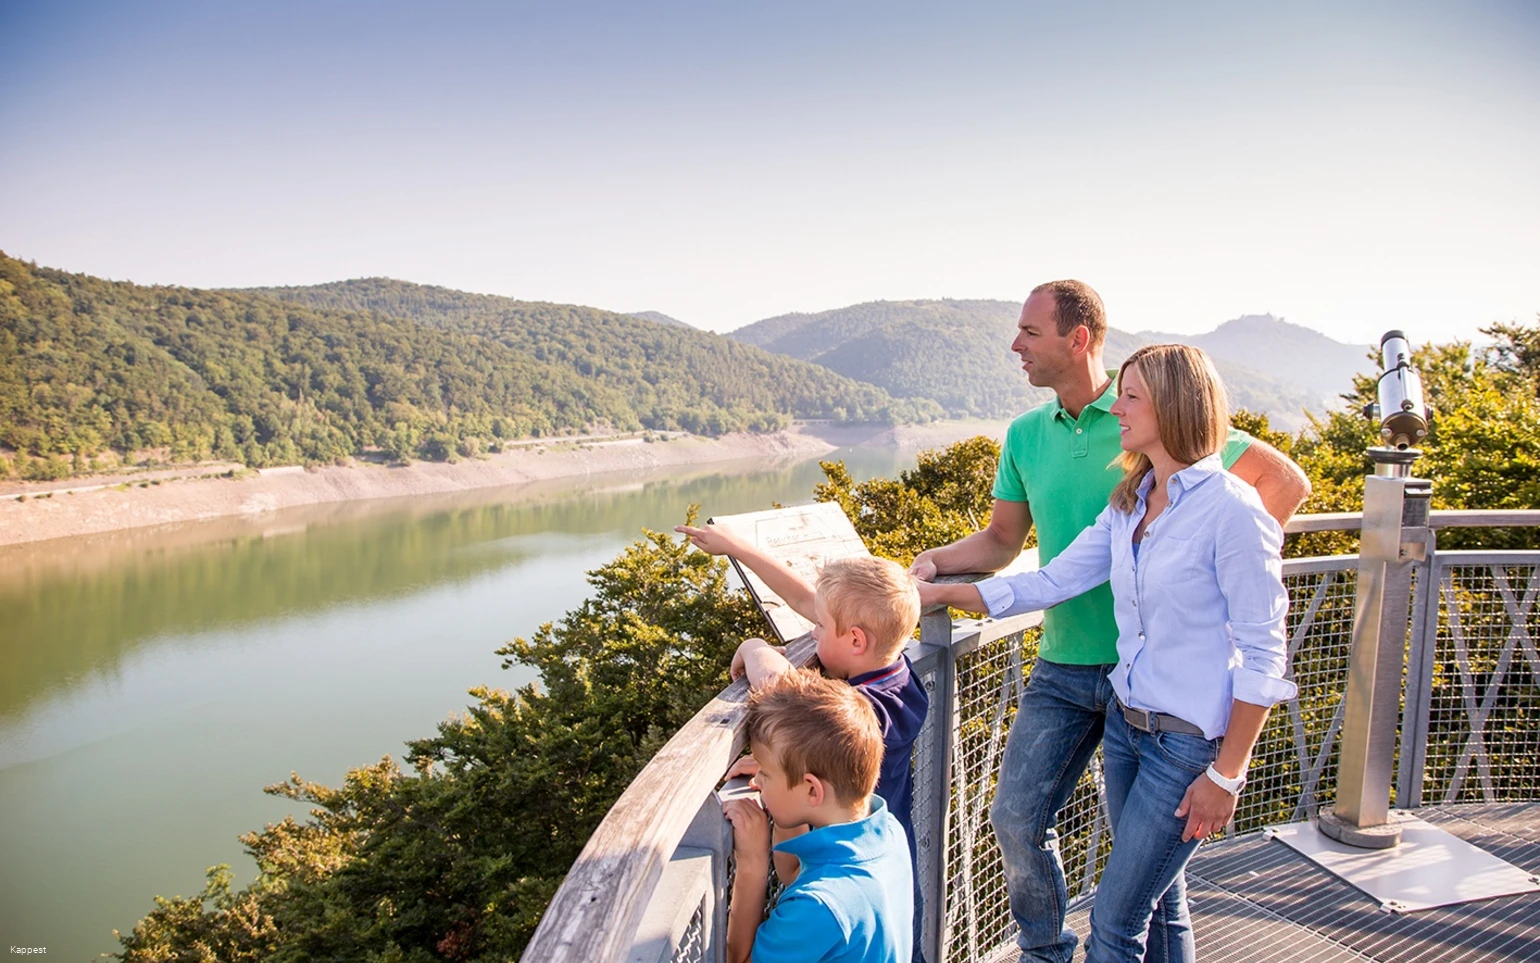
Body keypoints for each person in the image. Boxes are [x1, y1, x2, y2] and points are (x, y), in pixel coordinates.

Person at [908, 280, 1309, 963]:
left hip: (1185, 731)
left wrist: (1227, 772)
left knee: (1122, 917)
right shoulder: (1125, 497)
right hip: (1119, 705)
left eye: (1131, 399)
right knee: (1134, 890)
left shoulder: (1223, 501)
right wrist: (929, 585)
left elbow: (1265, 646)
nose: (1116, 409)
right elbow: (1043, 574)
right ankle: (1046, 952)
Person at [674, 527, 929, 957]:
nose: (812, 633)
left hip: (846, 891)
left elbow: (784, 694)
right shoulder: (901, 678)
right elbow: (807, 600)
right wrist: (736, 547)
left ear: (856, 641)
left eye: (820, 627)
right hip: (878, 878)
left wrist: (754, 648)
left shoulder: (866, 713)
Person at [723, 670, 915, 963]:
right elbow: (793, 872)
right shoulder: (887, 833)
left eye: (765, 774)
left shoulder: (819, 905)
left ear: (812, 790)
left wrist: (752, 861)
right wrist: (782, 776)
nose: (757, 781)